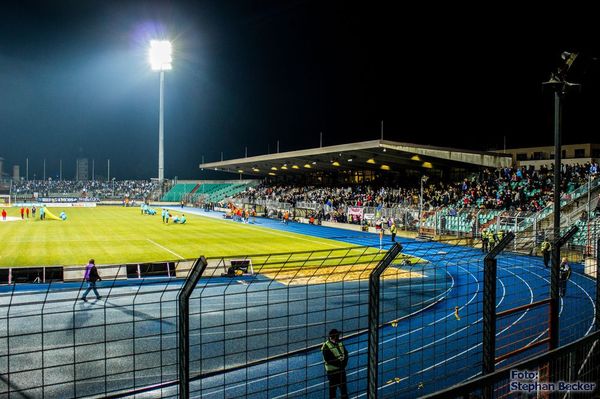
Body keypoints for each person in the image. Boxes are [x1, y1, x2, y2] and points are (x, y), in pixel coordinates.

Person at [321, 329, 349, 399]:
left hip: (341, 370)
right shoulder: (326, 346)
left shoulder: (340, 343)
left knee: (344, 390)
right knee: (333, 391)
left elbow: (346, 353)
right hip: (332, 372)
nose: (339, 336)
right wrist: (341, 364)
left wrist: (344, 363)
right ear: (333, 337)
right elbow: (329, 360)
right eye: (337, 335)